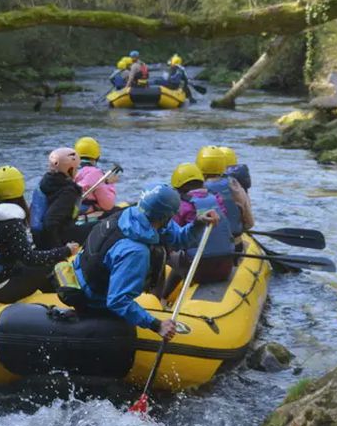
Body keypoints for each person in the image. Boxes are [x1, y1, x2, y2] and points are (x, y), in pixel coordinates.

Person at [72, 184, 220, 340]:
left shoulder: (131, 215)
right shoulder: (135, 252)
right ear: (165, 216)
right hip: (94, 302)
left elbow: (180, 239)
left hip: (89, 281)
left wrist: (198, 223)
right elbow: (117, 301)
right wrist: (157, 325)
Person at [0, 166, 80, 303]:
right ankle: (63, 304)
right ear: (20, 188)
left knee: (25, 264)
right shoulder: (11, 219)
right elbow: (29, 258)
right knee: (56, 263)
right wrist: (66, 250)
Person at [153, 163, 234, 300]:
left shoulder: (182, 204)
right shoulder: (217, 199)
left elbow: (170, 235)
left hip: (197, 270)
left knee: (162, 255)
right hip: (225, 266)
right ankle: (166, 294)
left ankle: (159, 297)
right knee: (181, 255)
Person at [196, 145, 254, 241]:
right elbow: (250, 224)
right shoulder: (235, 186)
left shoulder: (193, 188)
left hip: (202, 246)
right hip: (234, 243)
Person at [31, 147, 83, 249]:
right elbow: (50, 222)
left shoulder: (46, 181)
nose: (77, 171)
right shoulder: (68, 191)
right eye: (76, 168)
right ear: (69, 169)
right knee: (99, 226)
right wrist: (61, 251)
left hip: (39, 237)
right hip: (59, 238)